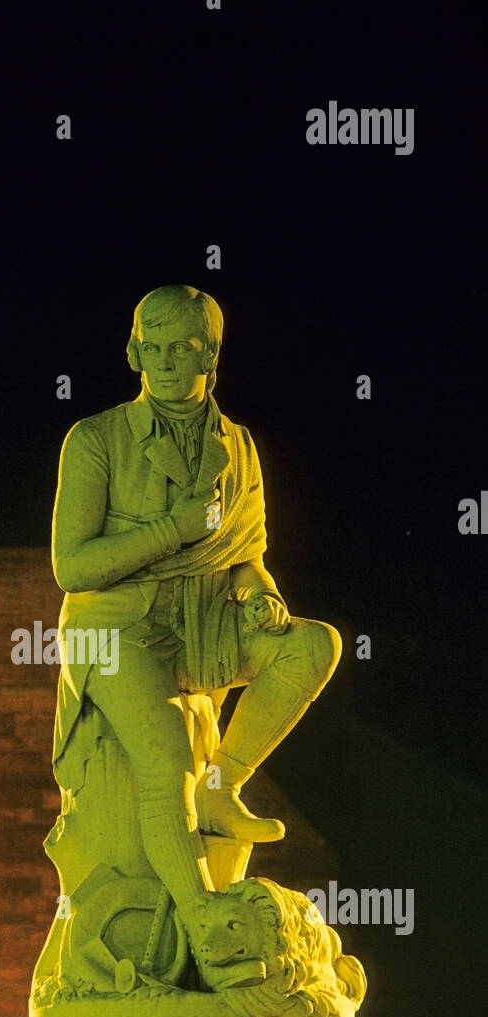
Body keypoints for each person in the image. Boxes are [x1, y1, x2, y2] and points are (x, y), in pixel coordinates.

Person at [51, 284, 341, 937]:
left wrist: (261, 592)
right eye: (151, 347)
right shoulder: (94, 438)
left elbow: (247, 553)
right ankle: (199, 912)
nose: (165, 362)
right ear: (132, 351)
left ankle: (224, 782)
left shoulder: (237, 445)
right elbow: (71, 567)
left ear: (210, 352)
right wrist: (172, 532)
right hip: (115, 628)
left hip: (202, 621)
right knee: (166, 762)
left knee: (314, 644)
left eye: (181, 348)